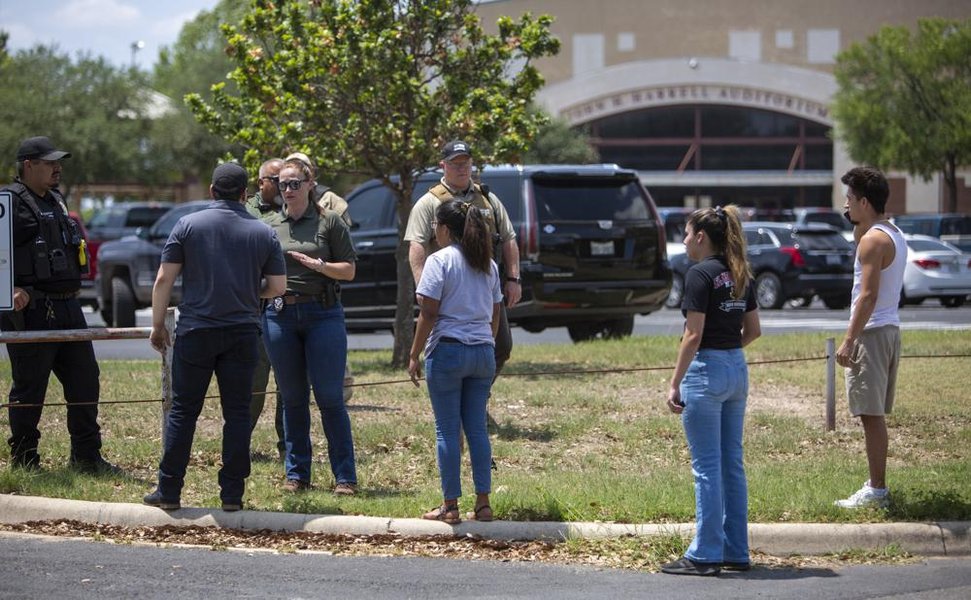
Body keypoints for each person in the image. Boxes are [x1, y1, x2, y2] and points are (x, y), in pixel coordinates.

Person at [143, 162, 286, 511]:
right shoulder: (263, 232)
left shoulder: (187, 225)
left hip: (196, 330)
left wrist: (158, 325)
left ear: (211, 191)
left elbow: (163, 279)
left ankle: (169, 489)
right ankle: (232, 494)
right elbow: (278, 287)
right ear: (245, 194)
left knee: (183, 411)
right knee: (237, 413)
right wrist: (249, 292)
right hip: (242, 332)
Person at [1, 136, 119, 474]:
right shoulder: (9, 203)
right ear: (28, 165)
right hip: (32, 311)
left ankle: (87, 457)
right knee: (30, 387)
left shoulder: (56, 199)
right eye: (50, 162)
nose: (57, 168)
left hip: (69, 307)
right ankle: (25, 460)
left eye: (58, 162)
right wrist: (9, 289)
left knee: (85, 380)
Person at [661, 205, 761, 577]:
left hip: (706, 371)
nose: (685, 241)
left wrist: (674, 382)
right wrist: (727, 352)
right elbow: (753, 330)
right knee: (731, 463)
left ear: (701, 237)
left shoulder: (699, 274)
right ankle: (736, 550)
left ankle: (705, 553)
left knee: (706, 467)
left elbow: (693, 334)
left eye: (687, 234)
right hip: (736, 368)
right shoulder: (740, 271)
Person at [262, 158, 358, 495]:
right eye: (282, 184)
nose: (288, 190)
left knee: (330, 398)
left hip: (323, 313)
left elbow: (349, 270)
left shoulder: (329, 221)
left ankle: (345, 477)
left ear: (310, 184)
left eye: (294, 183)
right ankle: (297, 474)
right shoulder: (270, 225)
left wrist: (319, 265)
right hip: (280, 315)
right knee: (292, 398)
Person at [408, 199, 503, 524]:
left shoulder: (439, 261)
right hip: (483, 352)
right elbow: (496, 311)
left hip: (448, 350)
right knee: (477, 429)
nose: (434, 230)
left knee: (447, 431)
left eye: (436, 225)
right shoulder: (488, 264)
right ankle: (483, 503)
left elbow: (429, 312)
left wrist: (414, 353)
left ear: (446, 228)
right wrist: (487, 341)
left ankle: (450, 506)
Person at [405, 140, 520, 379]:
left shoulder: (487, 199)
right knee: (448, 344)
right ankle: (456, 392)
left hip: (484, 285)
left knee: (501, 346)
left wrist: (513, 279)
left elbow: (509, 238)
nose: (462, 168)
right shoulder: (430, 202)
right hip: (448, 287)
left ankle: (479, 392)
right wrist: (422, 286)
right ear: (443, 166)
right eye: (455, 163)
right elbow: (417, 246)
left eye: (465, 163)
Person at [834, 167, 906, 509]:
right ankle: (876, 486)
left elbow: (867, 295)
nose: (845, 205)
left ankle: (877, 491)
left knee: (870, 416)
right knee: (872, 414)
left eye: (850, 198)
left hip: (872, 332)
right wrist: (858, 222)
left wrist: (849, 339)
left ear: (864, 201)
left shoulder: (872, 241)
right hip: (888, 329)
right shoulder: (891, 232)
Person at [245, 158, 287, 457]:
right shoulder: (249, 211)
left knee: (289, 385)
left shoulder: (294, 208)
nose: (284, 186)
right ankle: (240, 443)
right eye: (277, 179)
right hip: (259, 308)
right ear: (261, 183)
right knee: (254, 384)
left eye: (289, 180)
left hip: (288, 308)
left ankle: (289, 446)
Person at [283, 152, 352, 227]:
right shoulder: (284, 201)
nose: (295, 173)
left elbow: (345, 230)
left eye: (301, 169)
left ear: (311, 172)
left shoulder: (330, 199)